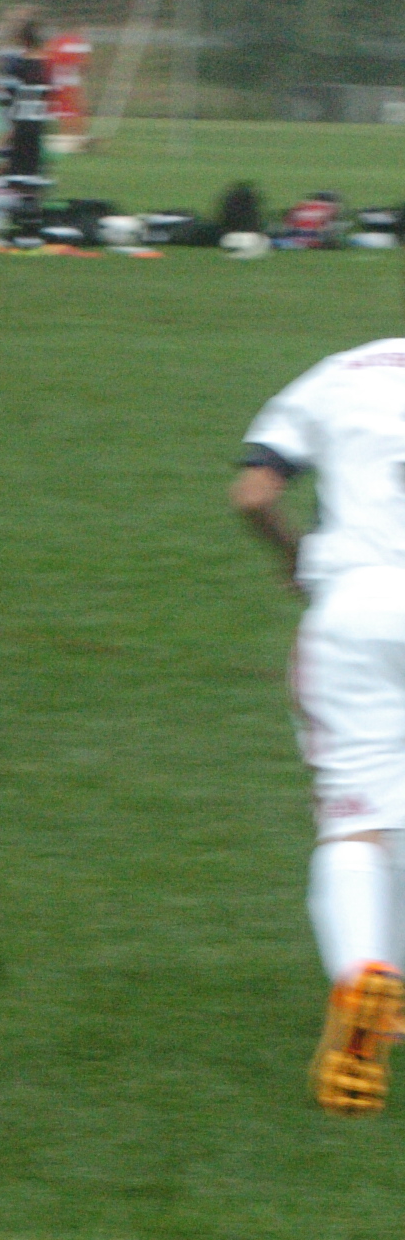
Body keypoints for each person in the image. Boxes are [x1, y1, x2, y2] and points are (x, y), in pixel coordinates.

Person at [227, 339, 405, 1112]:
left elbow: (253, 495)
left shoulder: (343, 373)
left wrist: (294, 560)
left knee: (356, 818)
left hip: (357, 608)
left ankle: (365, 974)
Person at [0, 18, 52, 246]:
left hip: (18, 126)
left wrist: (5, 134)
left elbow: (5, 98)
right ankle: (31, 229)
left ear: (21, 40)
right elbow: (46, 97)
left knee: (15, 177)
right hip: (37, 126)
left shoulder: (17, 66)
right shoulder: (46, 67)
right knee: (32, 175)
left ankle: (17, 230)